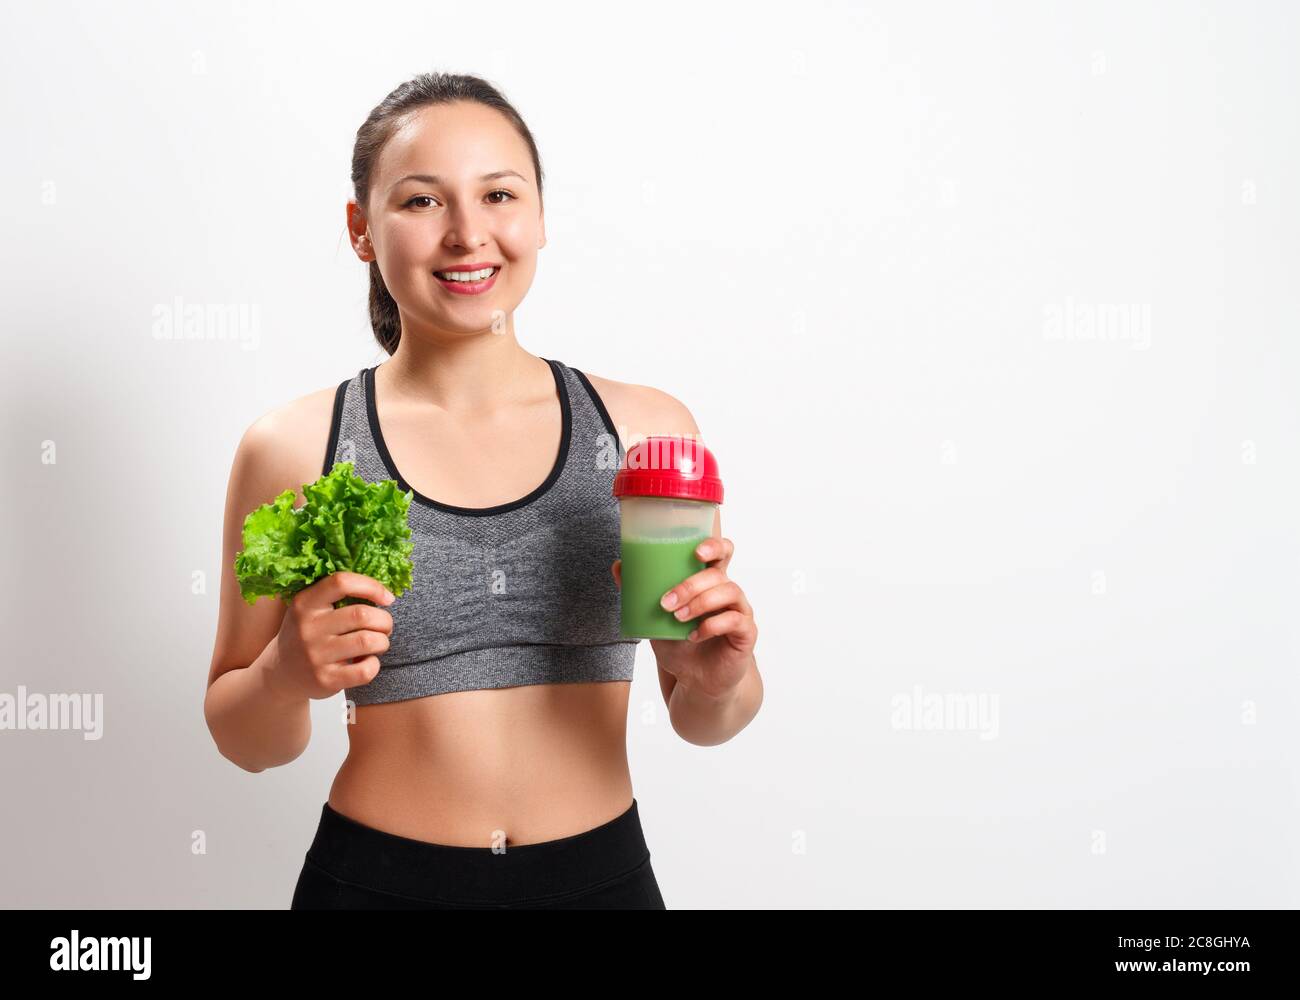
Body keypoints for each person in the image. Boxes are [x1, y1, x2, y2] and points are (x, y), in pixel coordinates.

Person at [203, 72, 763, 909]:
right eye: (423, 202)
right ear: (361, 229)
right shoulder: (296, 447)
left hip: (601, 882)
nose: (468, 234)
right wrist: (287, 675)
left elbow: (703, 717)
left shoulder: (646, 430)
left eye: (499, 194)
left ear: (539, 216)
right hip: (375, 885)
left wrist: (720, 679)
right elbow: (247, 740)